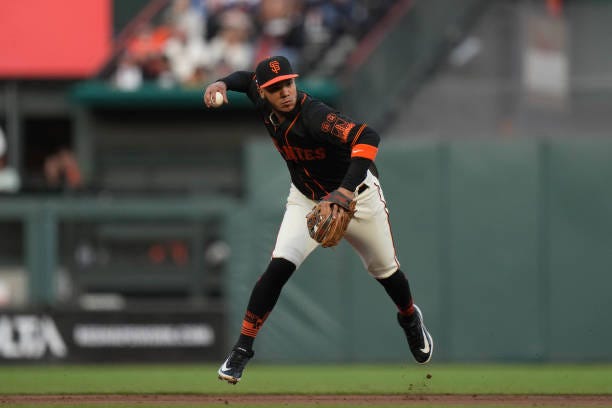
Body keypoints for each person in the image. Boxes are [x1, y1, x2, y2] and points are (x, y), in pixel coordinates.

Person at [203, 56, 433, 384]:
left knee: (386, 271)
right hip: (307, 199)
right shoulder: (258, 93)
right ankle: (241, 350)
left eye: (288, 83)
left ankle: (410, 318)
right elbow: (244, 78)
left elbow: (368, 137)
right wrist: (221, 84)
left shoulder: (315, 116)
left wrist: (343, 192)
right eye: (275, 88)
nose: (284, 91)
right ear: (264, 92)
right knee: (278, 267)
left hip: (358, 196)